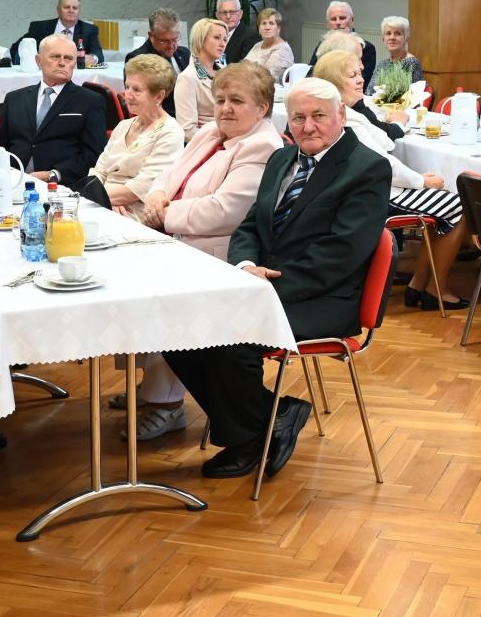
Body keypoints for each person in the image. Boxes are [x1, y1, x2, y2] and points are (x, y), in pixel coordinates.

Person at [164, 77, 390, 480]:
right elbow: (250, 226)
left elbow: (340, 254)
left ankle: (248, 440)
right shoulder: (282, 159)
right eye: (299, 117)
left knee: (228, 339)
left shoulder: (367, 168)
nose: (307, 126)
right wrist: (245, 268)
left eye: (319, 116)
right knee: (176, 330)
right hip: (264, 287)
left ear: (341, 116)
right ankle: (274, 416)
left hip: (324, 297)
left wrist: (264, 289)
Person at [129, 63, 283, 439]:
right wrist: (157, 197)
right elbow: (167, 175)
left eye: (237, 101)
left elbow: (225, 210)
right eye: (220, 99)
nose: (225, 108)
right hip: (177, 236)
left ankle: (167, 402)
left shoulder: (263, 146)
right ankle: (153, 381)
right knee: (126, 274)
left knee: (159, 290)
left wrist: (163, 216)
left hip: (217, 253)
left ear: (262, 107)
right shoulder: (210, 132)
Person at [312, 51, 469, 311]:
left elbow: (383, 141)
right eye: (352, 76)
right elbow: (382, 164)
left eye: (360, 73)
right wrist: (421, 181)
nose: (361, 80)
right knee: (458, 205)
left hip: (370, 189)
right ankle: (437, 288)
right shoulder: (346, 120)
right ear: (335, 84)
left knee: (443, 204)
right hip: (378, 195)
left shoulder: (347, 113)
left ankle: (419, 283)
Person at [0, 34, 105, 183]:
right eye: (55, 57)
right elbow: (0, 148)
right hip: (13, 181)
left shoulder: (90, 101)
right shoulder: (14, 99)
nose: (62, 63)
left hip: (61, 185)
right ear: (38, 61)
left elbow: (94, 155)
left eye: (68, 58)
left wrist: (53, 175)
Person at [86, 54, 183, 220]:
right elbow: (99, 170)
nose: (127, 95)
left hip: (134, 213)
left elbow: (142, 187)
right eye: (127, 87)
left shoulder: (170, 132)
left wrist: (95, 196)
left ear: (159, 96)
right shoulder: (123, 125)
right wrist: (97, 197)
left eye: (137, 90)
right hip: (103, 203)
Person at [125, 8, 192, 116]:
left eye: (175, 39)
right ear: (151, 36)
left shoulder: (184, 53)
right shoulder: (138, 59)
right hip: (163, 118)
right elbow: (143, 102)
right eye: (164, 41)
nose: (171, 46)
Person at [14, 0, 103, 66]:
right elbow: (15, 48)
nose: (71, 10)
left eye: (75, 8)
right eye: (67, 7)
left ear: (79, 11)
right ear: (58, 10)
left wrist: (93, 58)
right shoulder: (39, 27)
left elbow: (98, 54)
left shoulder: (89, 30)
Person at [175, 18, 227, 137]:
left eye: (225, 39)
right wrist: (223, 138)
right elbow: (187, 130)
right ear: (201, 39)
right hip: (210, 144)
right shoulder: (188, 78)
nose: (223, 44)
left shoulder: (225, 72)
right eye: (217, 38)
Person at [305, 1, 377, 80]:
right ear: (328, 24)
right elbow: (311, 74)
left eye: (342, 18)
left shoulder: (366, 48)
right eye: (333, 19)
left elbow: (363, 81)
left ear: (352, 20)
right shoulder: (323, 45)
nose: (338, 22)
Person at [243, 7, 295, 83]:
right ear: (259, 28)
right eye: (264, 23)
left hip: (266, 90)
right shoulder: (258, 45)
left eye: (271, 23)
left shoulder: (283, 50)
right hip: (248, 84)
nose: (267, 27)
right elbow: (242, 65)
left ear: (278, 28)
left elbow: (268, 78)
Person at [372, 16, 423, 86]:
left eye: (397, 33)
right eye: (388, 33)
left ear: (406, 39)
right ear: (383, 39)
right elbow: (369, 91)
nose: (392, 37)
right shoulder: (382, 64)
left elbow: (412, 95)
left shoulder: (411, 63)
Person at [216, 0, 260, 64]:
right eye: (224, 12)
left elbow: (242, 68)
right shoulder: (213, 35)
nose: (228, 16)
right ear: (218, 16)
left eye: (232, 12)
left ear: (240, 14)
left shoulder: (251, 36)